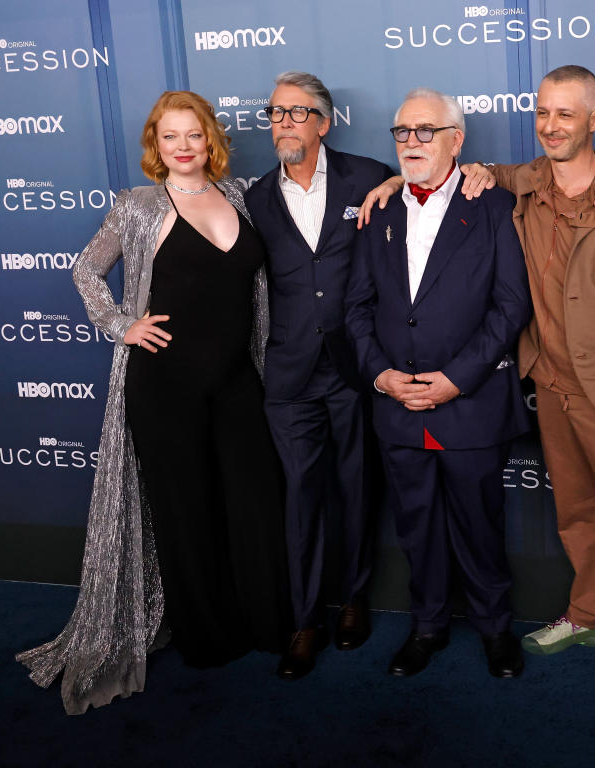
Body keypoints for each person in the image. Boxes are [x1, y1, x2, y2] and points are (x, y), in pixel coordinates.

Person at [359, 66, 595, 710]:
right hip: (552, 386)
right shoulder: (517, 186)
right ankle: (589, 614)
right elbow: (438, 171)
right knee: (577, 515)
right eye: (542, 113)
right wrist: (395, 177)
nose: (551, 125)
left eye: (566, 114)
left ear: (594, 120)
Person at [16, 91, 290, 714]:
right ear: (155, 146)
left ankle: (266, 623)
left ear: (210, 139)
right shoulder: (138, 207)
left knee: (253, 501)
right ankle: (207, 637)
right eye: (171, 137)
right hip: (164, 384)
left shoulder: (242, 198)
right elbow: (87, 270)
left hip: (236, 379)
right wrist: (121, 325)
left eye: (193, 135)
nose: (184, 147)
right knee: (185, 512)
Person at [345, 88, 531, 679]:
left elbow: (510, 306)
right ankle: (427, 626)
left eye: (426, 131)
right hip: (399, 407)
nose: (412, 143)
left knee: (479, 525)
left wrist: (456, 380)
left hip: (469, 405)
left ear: (457, 139)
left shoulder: (497, 207)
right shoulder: (378, 212)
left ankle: (496, 628)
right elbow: (357, 307)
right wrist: (380, 375)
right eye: (402, 132)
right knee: (417, 526)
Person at [244, 72, 393, 680]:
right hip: (288, 375)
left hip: (353, 367)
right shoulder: (254, 197)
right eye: (275, 113)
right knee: (301, 498)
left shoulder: (370, 175)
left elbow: (442, 184)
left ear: (324, 123)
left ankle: (354, 598)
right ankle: (306, 619)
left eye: (296, 113)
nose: (283, 123)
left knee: (356, 488)